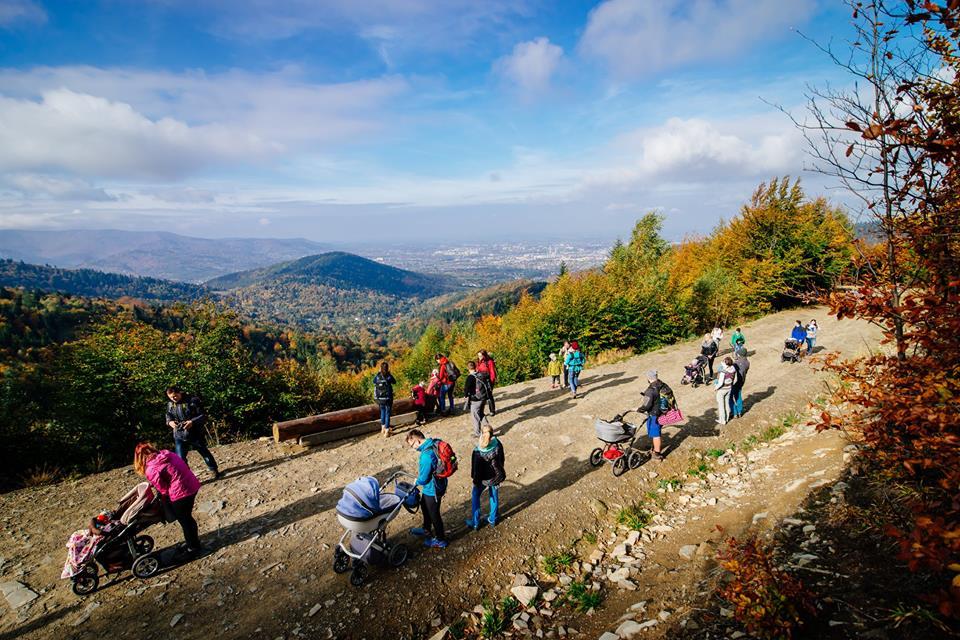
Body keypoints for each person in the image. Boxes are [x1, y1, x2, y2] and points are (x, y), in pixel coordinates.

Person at [134, 442, 203, 556]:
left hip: (181, 493)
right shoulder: (168, 454)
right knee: (188, 518)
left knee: (185, 521)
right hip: (192, 485)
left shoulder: (151, 469)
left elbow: (163, 489)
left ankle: (193, 548)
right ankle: (193, 543)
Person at [165, 386, 219, 479]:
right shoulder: (170, 404)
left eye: (175, 396)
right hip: (179, 434)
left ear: (180, 393)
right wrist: (170, 422)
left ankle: (213, 469)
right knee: (180, 458)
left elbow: (203, 415)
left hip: (195, 432)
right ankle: (188, 476)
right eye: (171, 397)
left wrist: (192, 422)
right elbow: (168, 415)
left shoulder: (193, 400)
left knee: (204, 452)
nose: (174, 398)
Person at [406, 429, 448, 549]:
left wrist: (417, 481)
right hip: (437, 484)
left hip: (432, 489)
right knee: (424, 506)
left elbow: (423, 479)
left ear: (418, 441)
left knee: (434, 514)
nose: (413, 448)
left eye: (412, 445)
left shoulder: (426, 456)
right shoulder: (434, 442)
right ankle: (426, 529)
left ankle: (440, 540)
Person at [465, 425, 505, 530]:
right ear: (492, 434)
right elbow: (502, 459)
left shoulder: (477, 451)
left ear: (482, 434)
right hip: (495, 477)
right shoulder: (498, 444)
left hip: (482, 479)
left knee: (475, 495)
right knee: (494, 495)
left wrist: (475, 481)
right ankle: (493, 518)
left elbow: (476, 470)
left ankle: (475, 522)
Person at [637, 370, 665, 461]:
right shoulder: (662, 384)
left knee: (656, 434)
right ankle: (654, 447)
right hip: (662, 413)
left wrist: (638, 409)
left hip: (655, 415)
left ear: (648, 378)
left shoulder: (650, 390)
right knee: (656, 431)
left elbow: (646, 406)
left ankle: (657, 453)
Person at [463, 362, 492, 438]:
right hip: (483, 397)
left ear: (468, 368)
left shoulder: (470, 377)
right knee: (481, 414)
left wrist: (465, 396)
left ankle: (477, 433)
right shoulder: (480, 374)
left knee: (475, 416)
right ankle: (488, 430)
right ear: (475, 367)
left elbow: (466, 388)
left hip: (476, 399)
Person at [373, 362, 396, 437]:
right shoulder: (388, 376)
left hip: (380, 399)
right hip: (388, 398)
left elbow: (374, 381)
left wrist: (378, 373)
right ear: (387, 368)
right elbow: (394, 382)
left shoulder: (378, 376)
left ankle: (382, 429)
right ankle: (387, 431)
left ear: (380, 368)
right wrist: (389, 374)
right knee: (387, 413)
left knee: (382, 412)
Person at [714, 357, 737, 425]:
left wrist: (716, 387)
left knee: (721, 405)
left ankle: (722, 420)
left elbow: (720, 383)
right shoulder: (733, 369)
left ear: (726, 364)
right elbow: (735, 379)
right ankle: (727, 418)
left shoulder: (723, 372)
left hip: (722, 389)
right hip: (729, 388)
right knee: (727, 403)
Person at [729, 347, 750, 419]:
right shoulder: (747, 362)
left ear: (740, 354)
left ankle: (734, 412)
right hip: (741, 381)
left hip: (734, 382)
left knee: (730, 397)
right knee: (738, 396)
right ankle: (739, 412)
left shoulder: (736, 363)